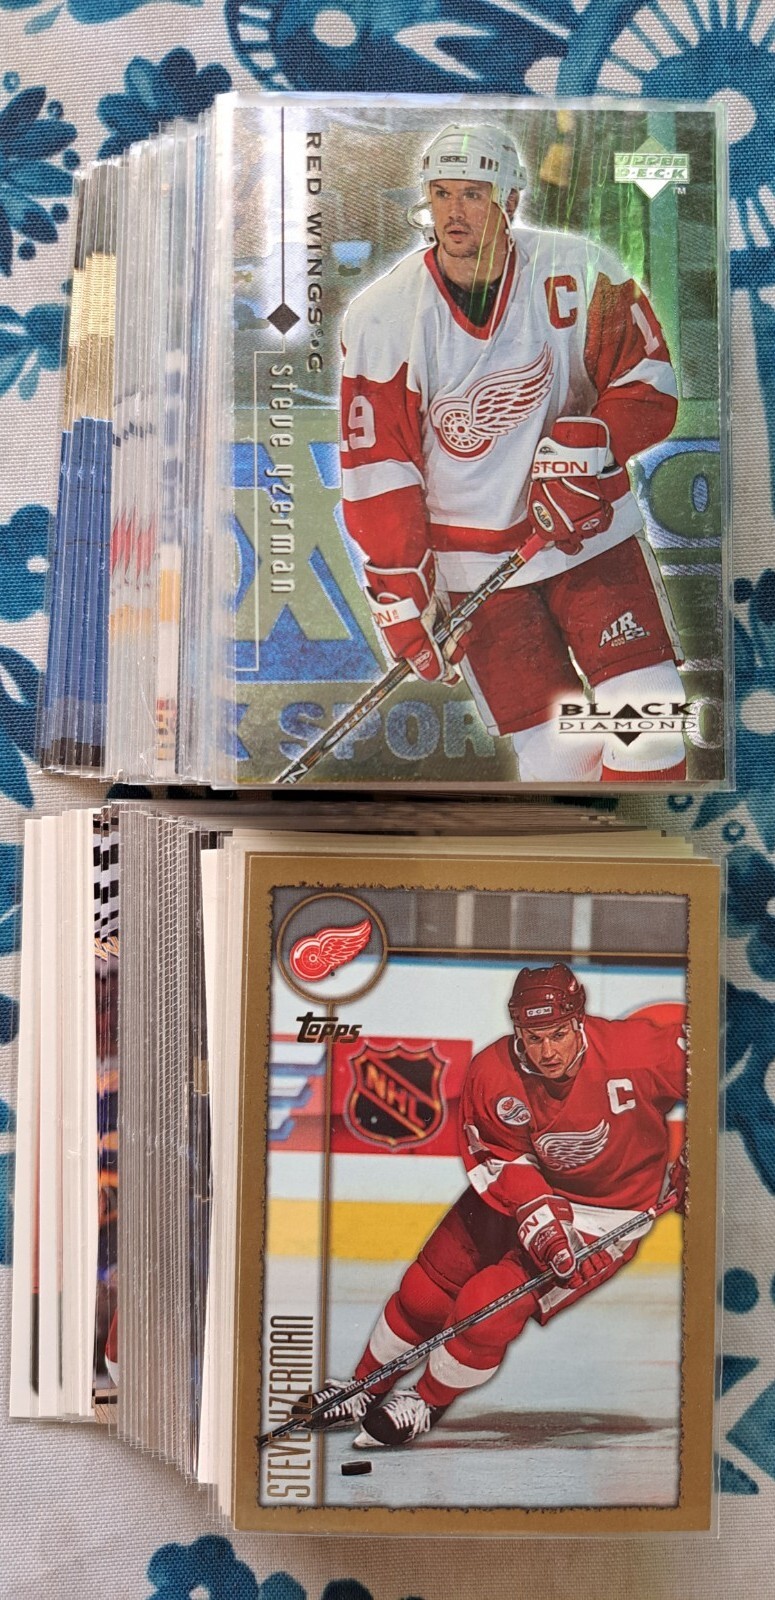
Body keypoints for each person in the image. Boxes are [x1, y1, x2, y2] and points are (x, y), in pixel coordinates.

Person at [339, 123, 686, 783]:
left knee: (652, 729)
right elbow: (380, 467)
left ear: (511, 200)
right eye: (442, 193)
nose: (453, 211)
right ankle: (588, 844)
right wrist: (399, 585)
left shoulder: (579, 270)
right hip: (475, 570)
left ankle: (642, 832)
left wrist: (596, 443)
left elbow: (647, 384)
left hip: (589, 539)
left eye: (473, 194)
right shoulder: (382, 315)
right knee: (558, 761)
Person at [302, 963, 686, 1448]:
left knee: (486, 1307)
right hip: (516, 1194)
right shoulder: (493, 1072)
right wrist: (540, 1218)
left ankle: (426, 1400)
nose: (547, 1052)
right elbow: (500, 1157)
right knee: (425, 1291)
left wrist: (701, 1158)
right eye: (533, 1038)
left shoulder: (638, 1050)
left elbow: (725, 1075)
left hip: (604, 1215)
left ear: (578, 1021)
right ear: (517, 1031)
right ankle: (363, 1387)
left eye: (558, 1035)